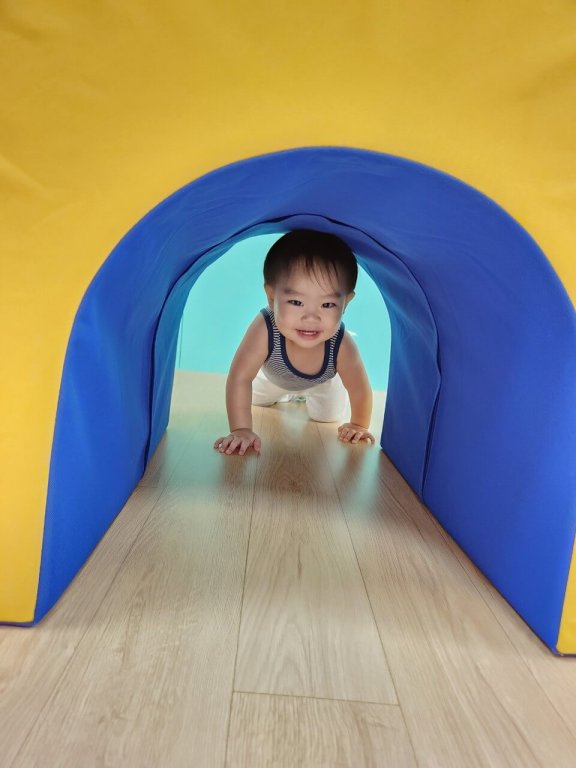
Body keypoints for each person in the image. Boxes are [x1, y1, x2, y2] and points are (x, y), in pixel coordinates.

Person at [214, 230, 376, 455]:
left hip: (322, 383)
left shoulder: (341, 343)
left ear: (346, 302)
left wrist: (359, 424)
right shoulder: (265, 328)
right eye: (296, 302)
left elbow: (359, 388)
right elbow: (240, 377)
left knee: (327, 417)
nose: (311, 318)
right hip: (273, 377)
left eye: (327, 305)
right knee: (255, 401)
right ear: (271, 297)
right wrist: (241, 429)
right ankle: (286, 394)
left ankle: (304, 395)